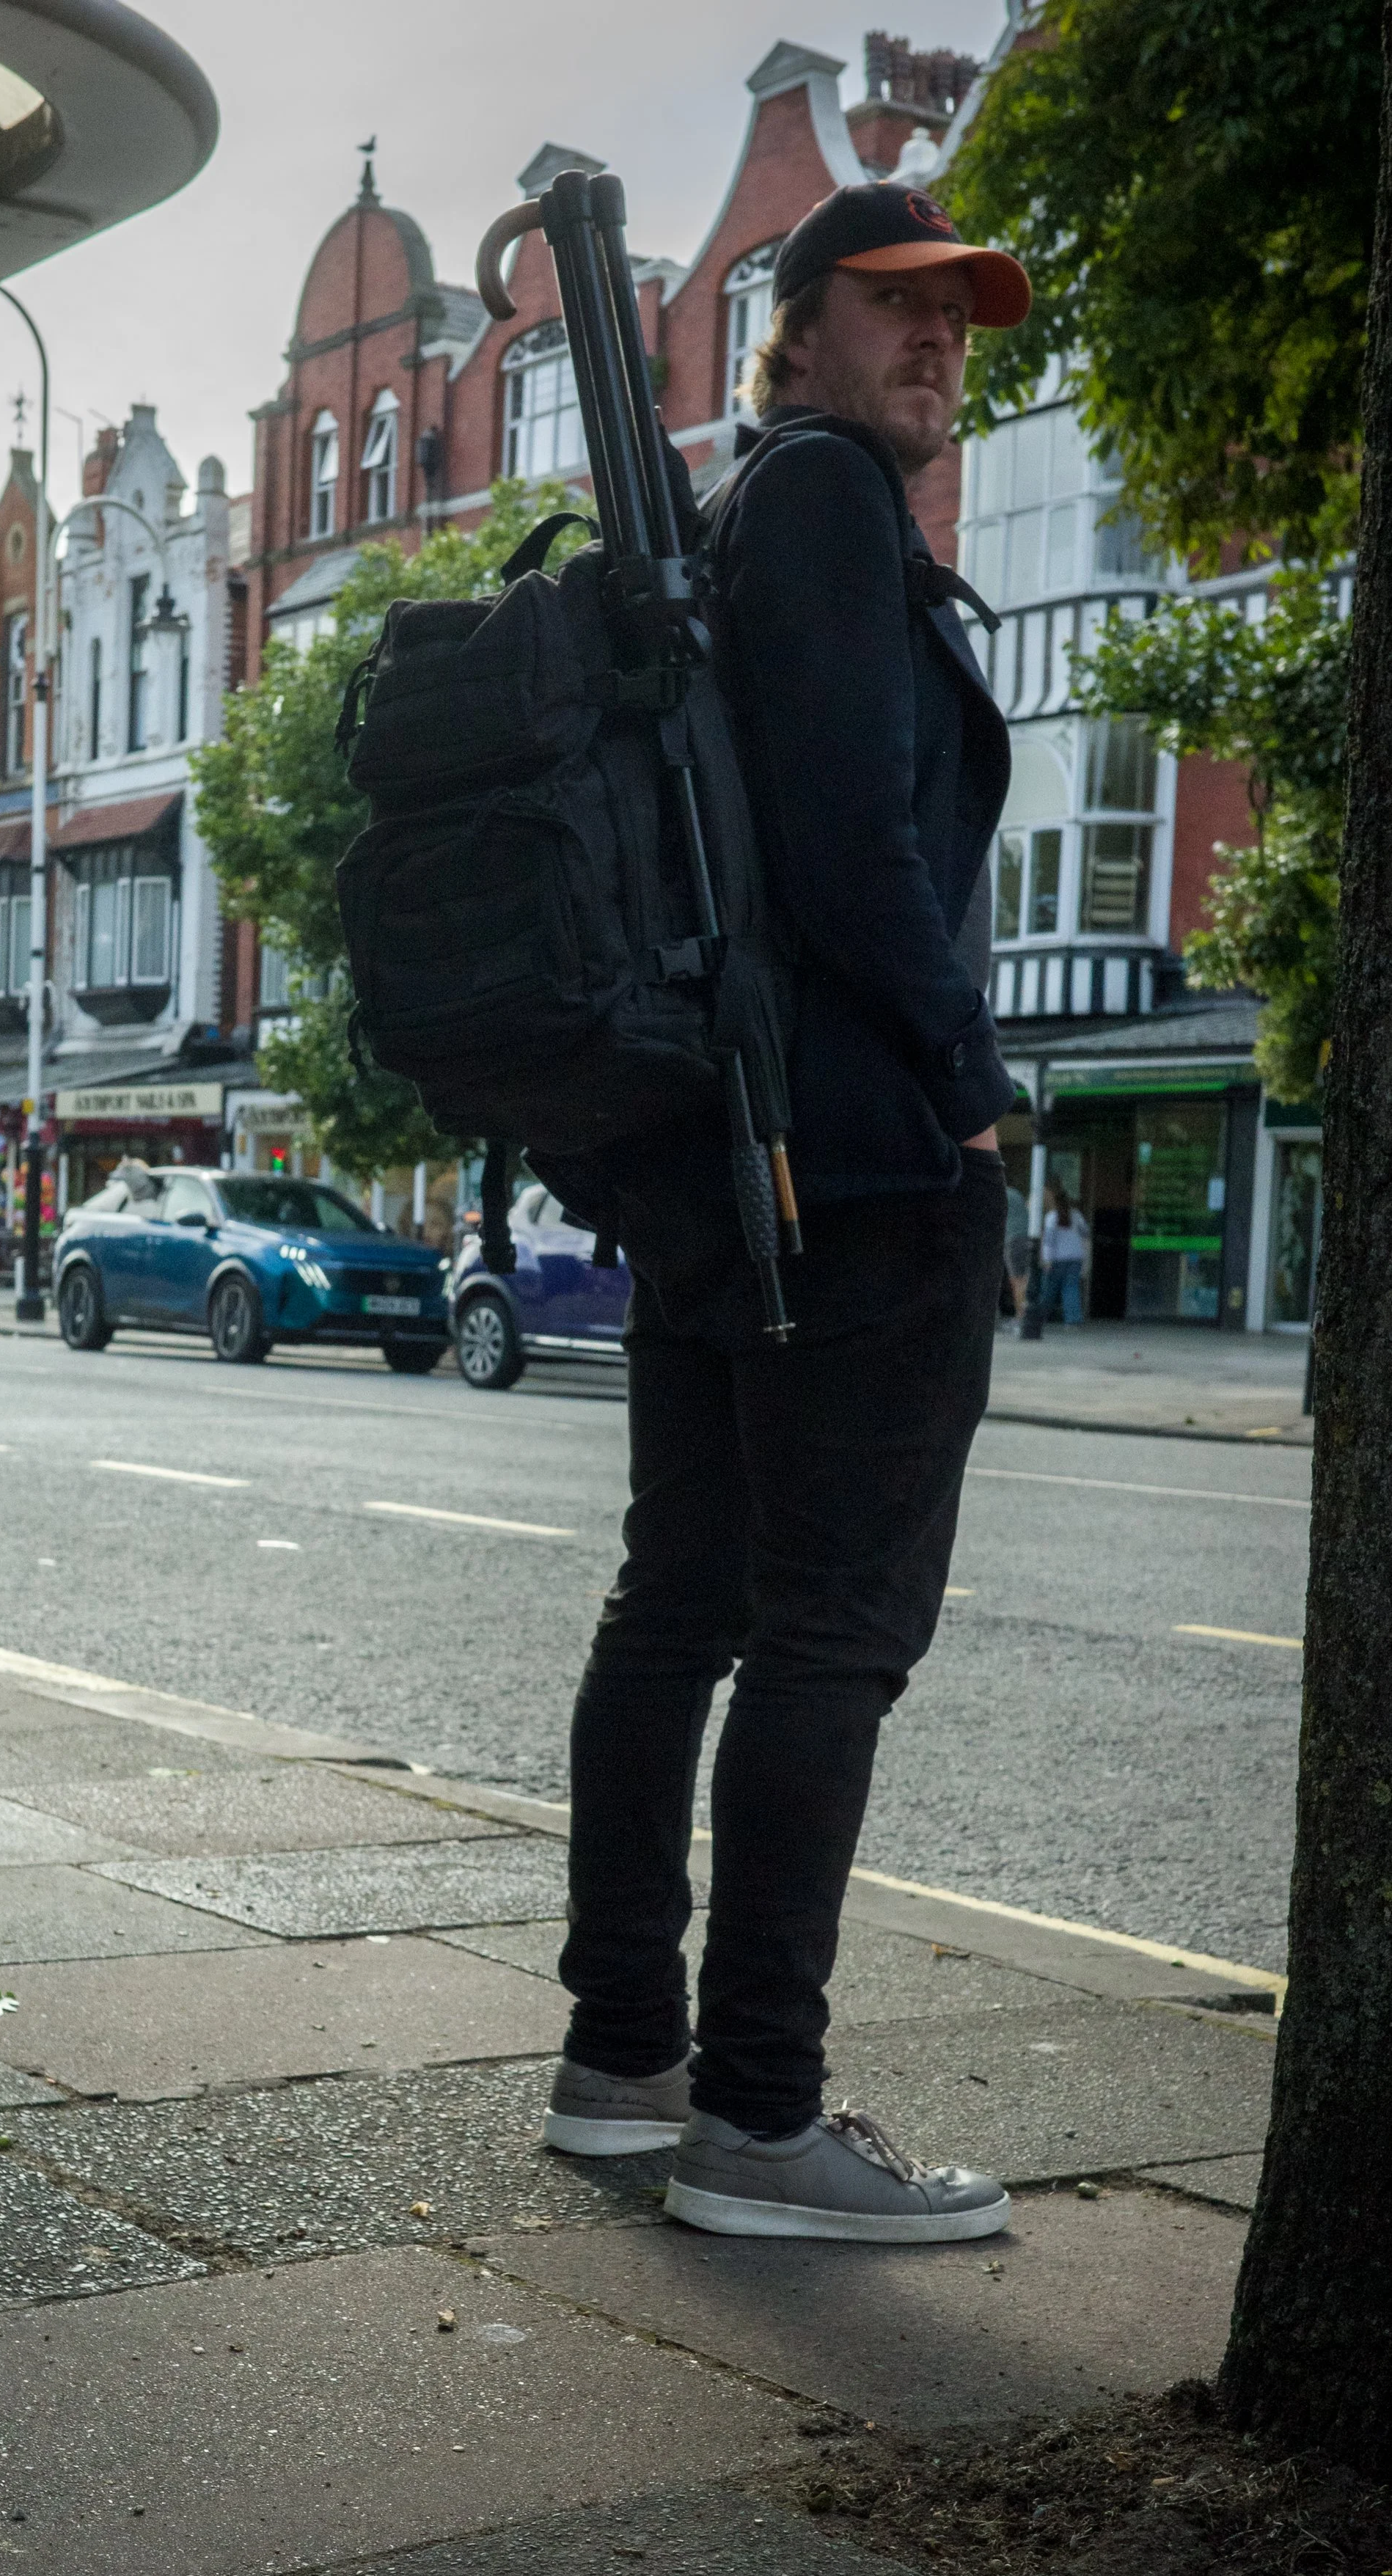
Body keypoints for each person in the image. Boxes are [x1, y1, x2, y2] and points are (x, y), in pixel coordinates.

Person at [537, 184, 1032, 2243]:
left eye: (955, 319)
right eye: (890, 307)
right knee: (828, 1630)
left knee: (685, 1603)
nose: (934, 342)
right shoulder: (826, 504)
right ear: (794, 334)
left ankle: (623, 2059)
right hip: (852, 1158)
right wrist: (972, 1082)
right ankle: (758, 2115)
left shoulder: (750, 515)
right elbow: (846, 838)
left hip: (720, 1159)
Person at [1041, 1182, 1089, 1327]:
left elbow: (1049, 1241)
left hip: (1057, 1258)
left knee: (1049, 1289)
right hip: (1075, 1257)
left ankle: (1042, 1316)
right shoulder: (1076, 1215)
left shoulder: (1051, 1217)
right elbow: (1085, 1232)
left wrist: (1046, 1259)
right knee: (1071, 1288)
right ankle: (1074, 1319)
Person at [1003, 1176, 1031, 1317]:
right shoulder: (1016, 1194)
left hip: (1012, 1240)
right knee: (1024, 1278)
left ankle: (1021, 1316)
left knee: (1016, 1280)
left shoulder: (1002, 1194)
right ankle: (1025, 1312)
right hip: (1025, 1238)